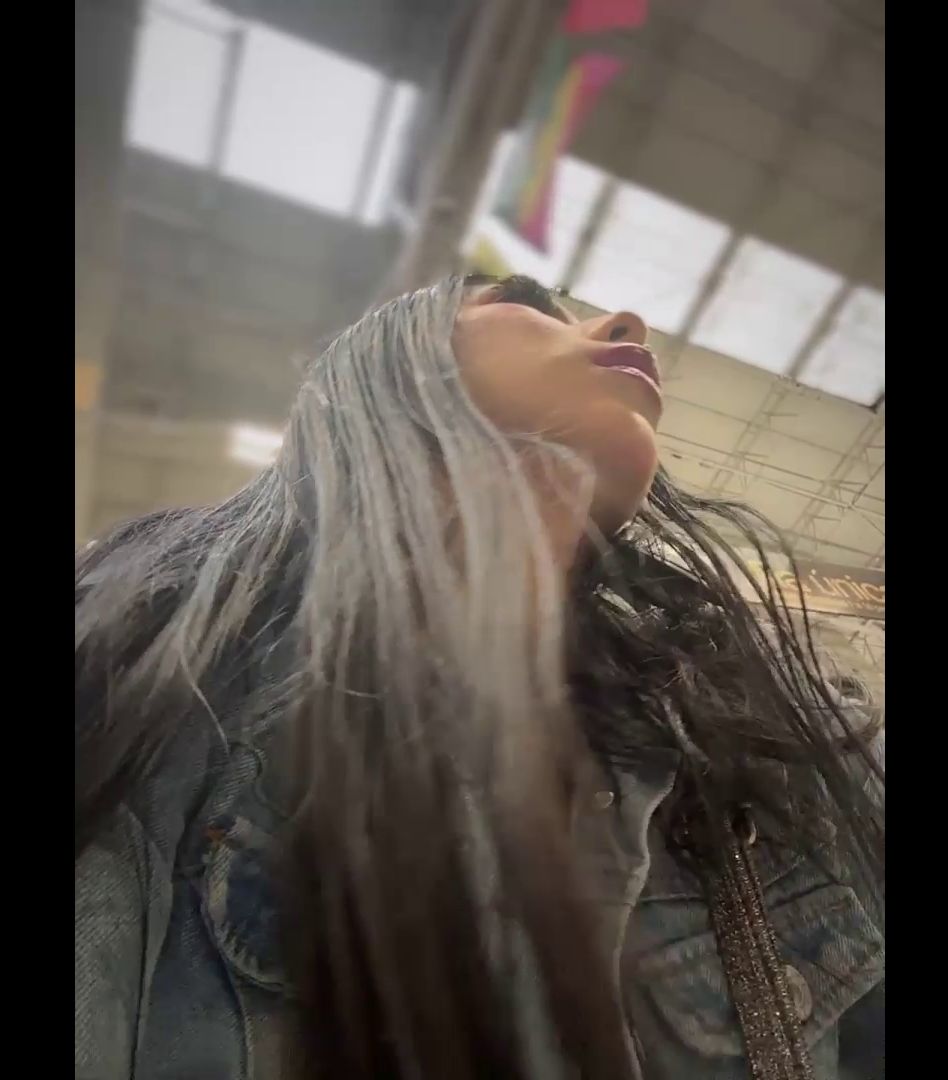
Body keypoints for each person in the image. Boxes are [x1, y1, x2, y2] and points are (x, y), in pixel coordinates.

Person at [75, 274, 884, 1080]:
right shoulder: (152, 675)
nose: (627, 322)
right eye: (526, 305)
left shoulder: (775, 743)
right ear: (379, 370)